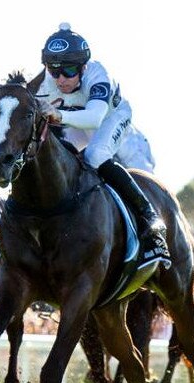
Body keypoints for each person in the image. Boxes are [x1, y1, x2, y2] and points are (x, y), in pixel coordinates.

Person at [36, 23, 169, 264]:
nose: (60, 79)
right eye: (54, 71)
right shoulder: (45, 81)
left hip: (111, 118)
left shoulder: (98, 75)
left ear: (83, 66)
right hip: (78, 124)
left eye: (67, 70)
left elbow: (95, 117)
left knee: (95, 155)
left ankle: (149, 219)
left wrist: (59, 116)